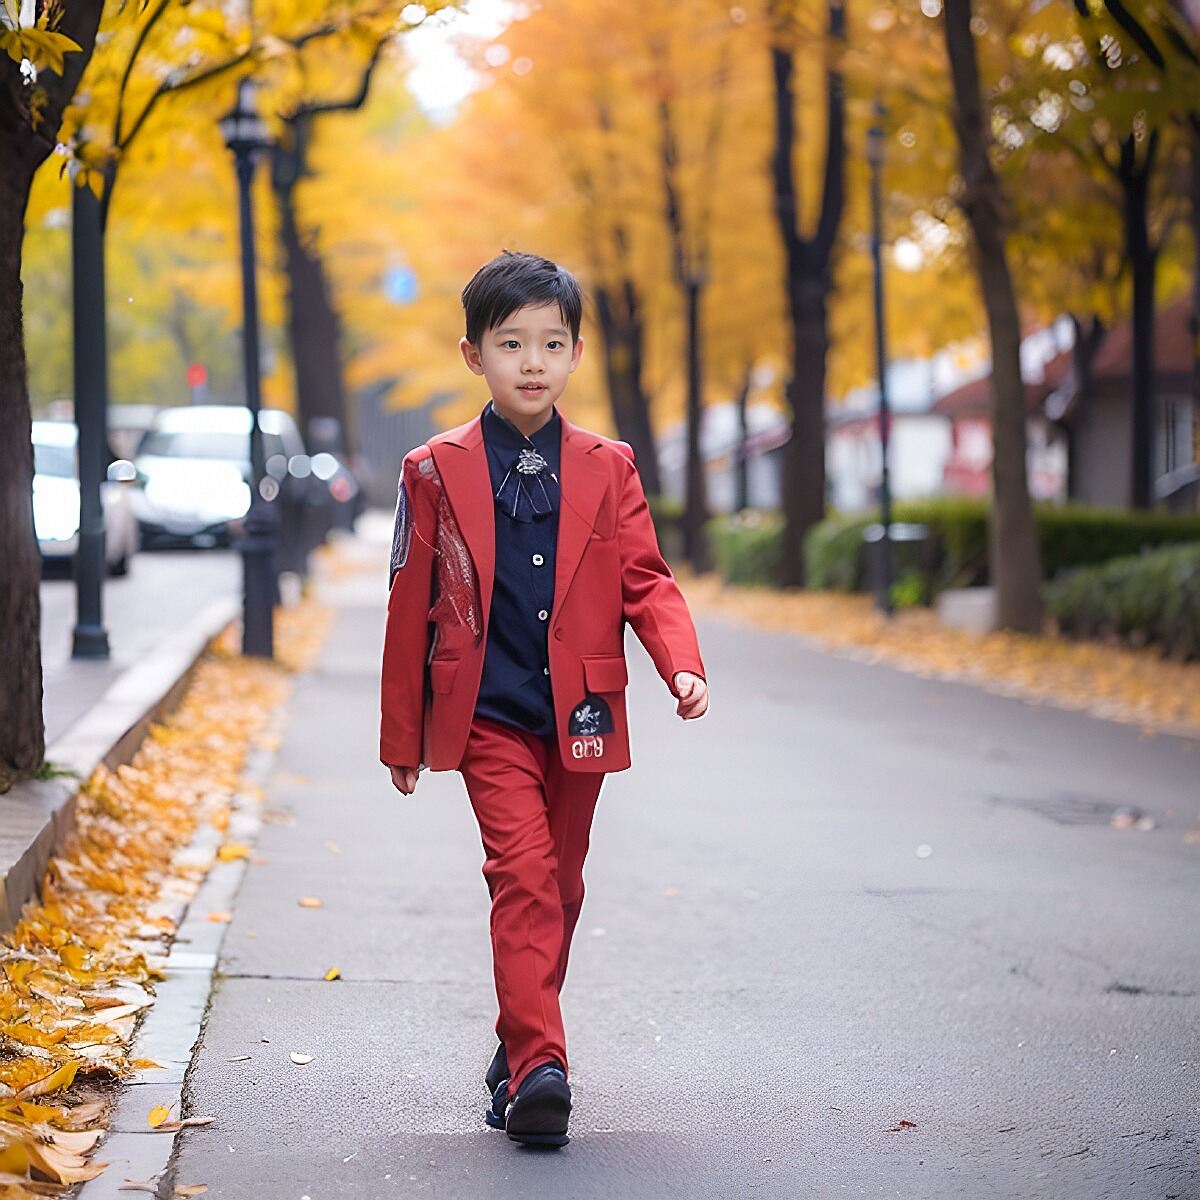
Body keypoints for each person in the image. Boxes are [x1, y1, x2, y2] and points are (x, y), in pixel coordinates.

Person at [379, 249, 708, 1149]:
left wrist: (681, 662)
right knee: (520, 876)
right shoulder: (433, 469)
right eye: (512, 343)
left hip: (581, 713)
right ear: (473, 354)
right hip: (485, 713)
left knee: (559, 885)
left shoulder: (610, 466)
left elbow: (646, 578)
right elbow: (410, 602)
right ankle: (541, 1071)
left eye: (552, 344)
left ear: (574, 356)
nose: (532, 362)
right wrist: (402, 735)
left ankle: (513, 1040)